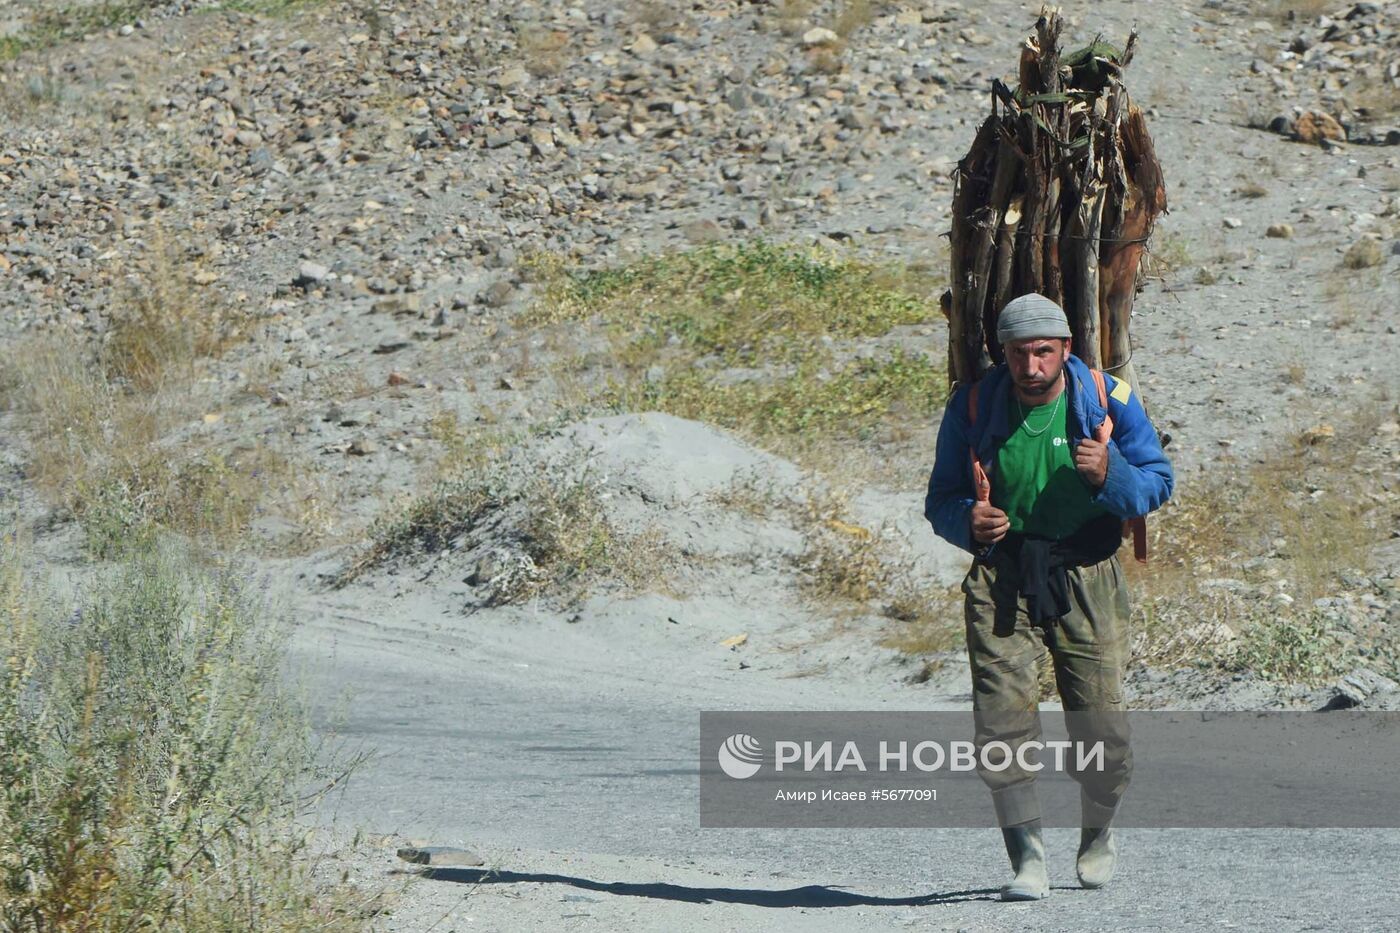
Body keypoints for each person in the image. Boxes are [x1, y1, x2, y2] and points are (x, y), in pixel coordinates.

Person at [923, 293, 1173, 901]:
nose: (1031, 366)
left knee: (1102, 729)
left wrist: (1109, 474)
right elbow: (942, 498)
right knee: (1000, 724)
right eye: (1018, 353)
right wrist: (967, 520)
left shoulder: (1108, 399)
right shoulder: (973, 405)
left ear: (1065, 348)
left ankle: (1098, 831)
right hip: (1001, 577)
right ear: (1003, 353)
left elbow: (1158, 482)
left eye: (1043, 351)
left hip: (1088, 574)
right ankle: (1027, 859)